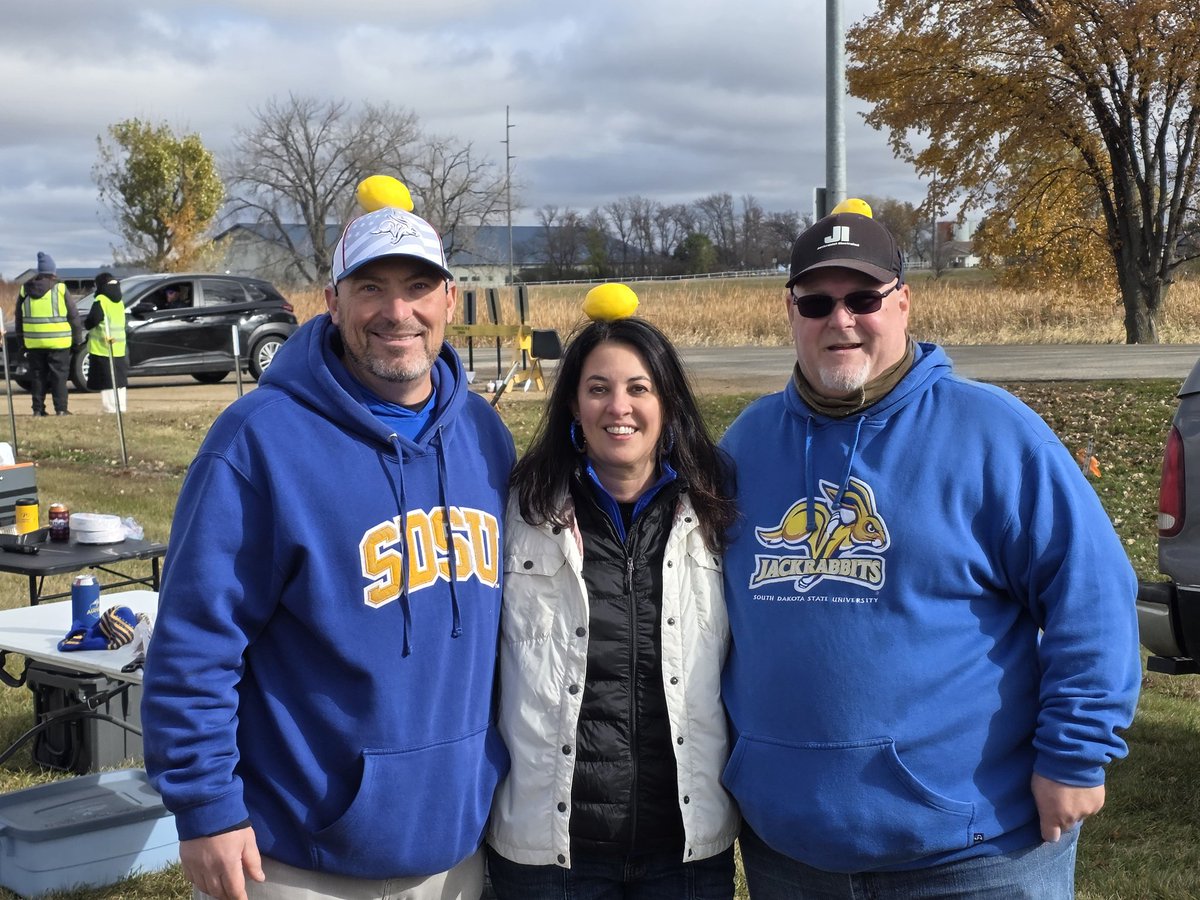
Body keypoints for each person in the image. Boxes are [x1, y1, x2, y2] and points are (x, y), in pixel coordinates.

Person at [718, 205, 1141, 899]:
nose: (841, 320)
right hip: (790, 856)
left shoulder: (992, 433)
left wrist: (1074, 758)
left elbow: (1091, 594)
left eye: (863, 299)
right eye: (817, 302)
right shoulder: (746, 445)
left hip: (973, 854)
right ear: (789, 311)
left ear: (904, 302)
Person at [142, 201, 516, 900]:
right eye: (371, 287)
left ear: (451, 299)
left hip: (456, 851)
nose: (396, 311)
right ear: (332, 301)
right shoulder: (258, 443)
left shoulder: (482, 436)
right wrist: (203, 809)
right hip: (297, 858)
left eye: (417, 287)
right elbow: (196, 641)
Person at [486, 309, 741, 899]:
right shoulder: (518, 512)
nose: (618, 407)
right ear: (573, 405)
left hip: (683, 851)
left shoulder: (714, 511)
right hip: (550, 859)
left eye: (638, 388)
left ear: (669, 402)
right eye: (597, 389)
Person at [15, 251, 82, 416]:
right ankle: (60, 409)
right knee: (59, 376)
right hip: (59, 342)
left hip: (34, 342)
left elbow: (19, 319)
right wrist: (77, 340)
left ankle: (38, 410)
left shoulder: (25, 290)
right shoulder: (60, 289)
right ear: (53, 272)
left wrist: (22, 342)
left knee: (38, 376)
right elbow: (74, 317)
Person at [84, 272, 128, 413]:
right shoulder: (120, 301)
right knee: (119, 381)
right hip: (119, 346)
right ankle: (121, 407)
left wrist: (86, 325)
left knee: (107, 380)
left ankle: (110, 409)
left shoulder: (101, 300)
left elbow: (92, 320)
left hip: (103, 346)